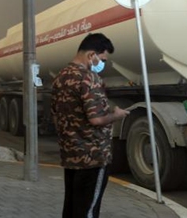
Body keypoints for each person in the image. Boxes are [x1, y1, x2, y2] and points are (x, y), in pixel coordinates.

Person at [50, 33, 129, 218]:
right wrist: (116, 115)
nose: (103, 63)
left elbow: (55, 116)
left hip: (71, 156)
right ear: (91, 55)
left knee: (71, 208)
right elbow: (96, 119)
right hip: (93, 157)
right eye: (102, 59)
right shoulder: (89, 78)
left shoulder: (60, 77)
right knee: (87, 210)